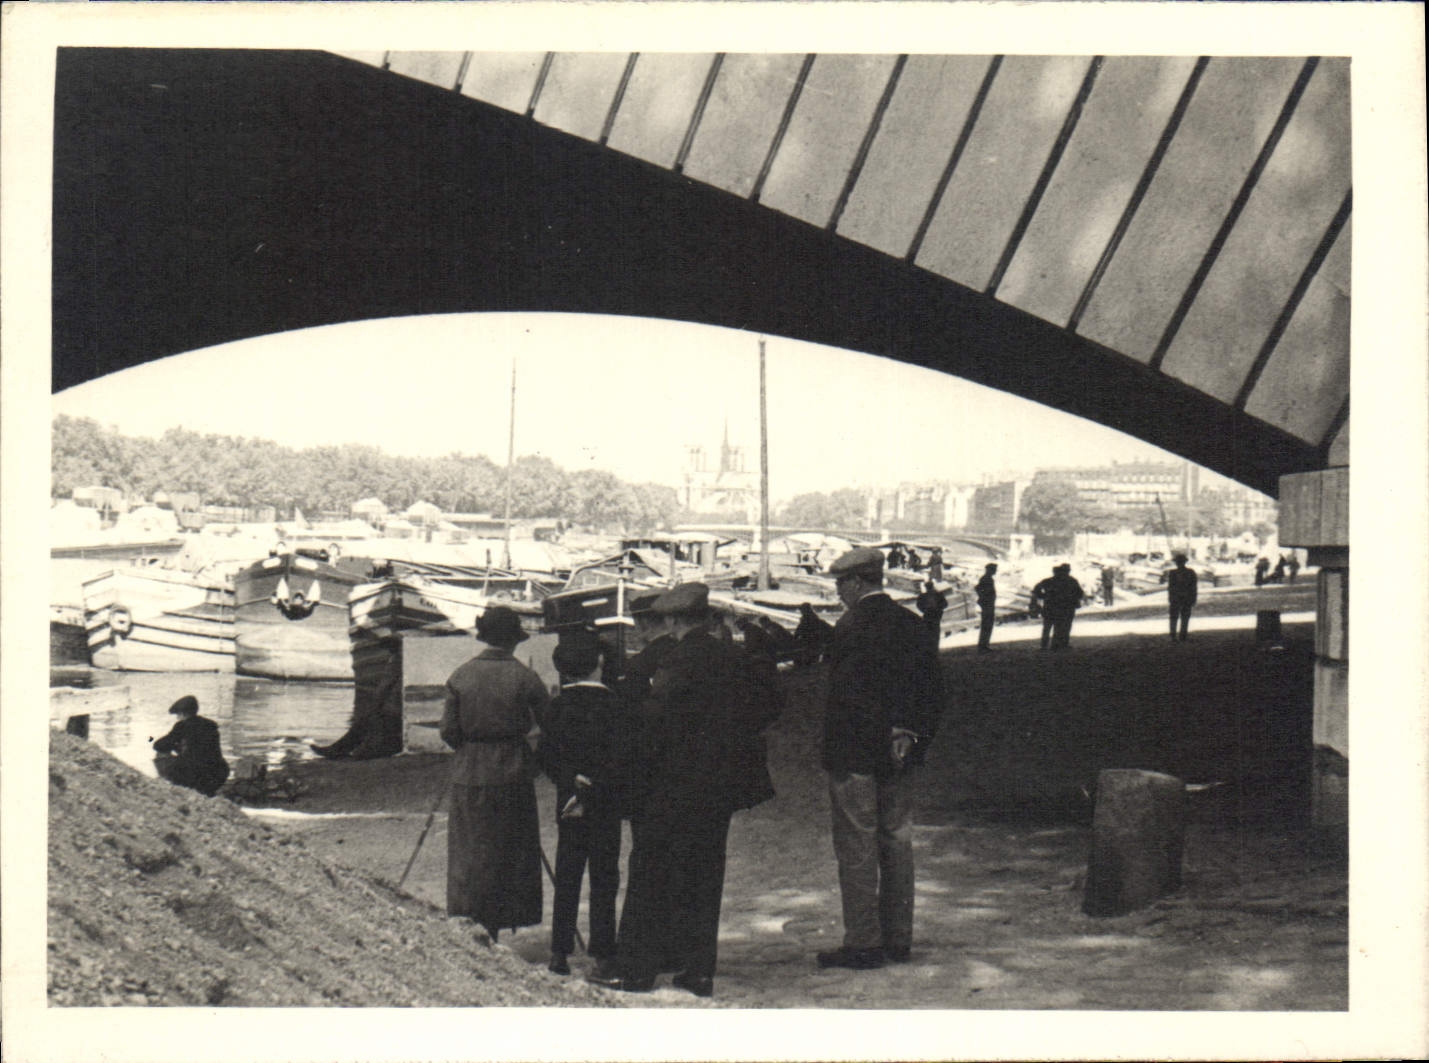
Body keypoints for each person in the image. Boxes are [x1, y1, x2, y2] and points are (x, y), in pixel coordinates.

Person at [592, 582, 778, 998]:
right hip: (719, 786)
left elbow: (656, 721)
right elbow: (765, 708)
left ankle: (636, 971)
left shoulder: (677, 659)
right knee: (705, 874)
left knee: (651, 873)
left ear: (673, 619)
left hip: (672, 784)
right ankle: (699, 972)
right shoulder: (732, 656)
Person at [817, 547, 942, 971]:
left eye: (840, 585)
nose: (838, 594)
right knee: (897, 842)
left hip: (854, 755)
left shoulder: (849, 627)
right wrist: (908, 733)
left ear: (855, 583)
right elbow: (932, 691)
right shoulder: (911, 624)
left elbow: (848, 699)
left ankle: (864, 942)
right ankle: (899, 938)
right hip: (899, 755)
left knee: (856, 847)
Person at [440, 606, 549, 942]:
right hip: (513, 770)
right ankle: (500, 923)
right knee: (510, 851)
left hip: (469, 771)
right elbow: (550, 726)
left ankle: (472, 921)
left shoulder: (460, 675)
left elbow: (448, 731)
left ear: (484, 637)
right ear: (514, 641)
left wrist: (470, 747)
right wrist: (534, 759)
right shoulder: (526, 678)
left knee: (471, 849)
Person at [537, 629, 634, 977]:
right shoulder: (617, 705)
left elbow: (545, 757)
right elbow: (623, 758)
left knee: (568, 877)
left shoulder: (557, 707)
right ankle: (603, 954)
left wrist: (570, 781)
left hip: (569, 805)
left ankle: (559, 953)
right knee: (605, 878)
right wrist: (598, 784)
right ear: (600, 663)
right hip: (605, 803)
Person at [152, 695, 230, 797]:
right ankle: (208, 790)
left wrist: (175, 747)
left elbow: (158, 745)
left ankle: (177, 786)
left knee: (161, 754)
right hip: (217, 774)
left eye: (178, 714)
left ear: (183, 714)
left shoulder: (182, 726)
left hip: (193, 775)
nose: (177, 717)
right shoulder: (211, 726)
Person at [1041, 564, 1085, 651]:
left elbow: (1036, 590)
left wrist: (1044, 596)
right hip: (1067, 607)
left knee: (1048, 626)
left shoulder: (1047, 581)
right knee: (1064, 625)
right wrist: (1074, 598)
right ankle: (1060, 644)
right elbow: (1080, 593)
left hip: (1050, 606)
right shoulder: (1072, 581)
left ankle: (1044, 645)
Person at [1166, 553, 1199, 641]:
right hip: (1185, 597)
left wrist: (1170, 597)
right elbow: (1194, 587)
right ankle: (1182, 635)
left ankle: (1174, 635)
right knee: (1184, 616)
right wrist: (1194, 597)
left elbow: (1170, 587)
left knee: (1174, 617)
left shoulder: (1172, 573)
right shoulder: (1190, 572)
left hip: (1176, 597)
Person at [975, 563, 998, 652]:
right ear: (990, 570)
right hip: (987, 604)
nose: (995, 571)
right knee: (987, 624)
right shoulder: (986, 579)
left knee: (987, 624)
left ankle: (984, 645)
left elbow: (977, 588)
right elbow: (978, 589)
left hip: (988, 603)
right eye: (994, 569)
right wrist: (984, 598)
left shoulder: (987, 578)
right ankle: (983, 645)